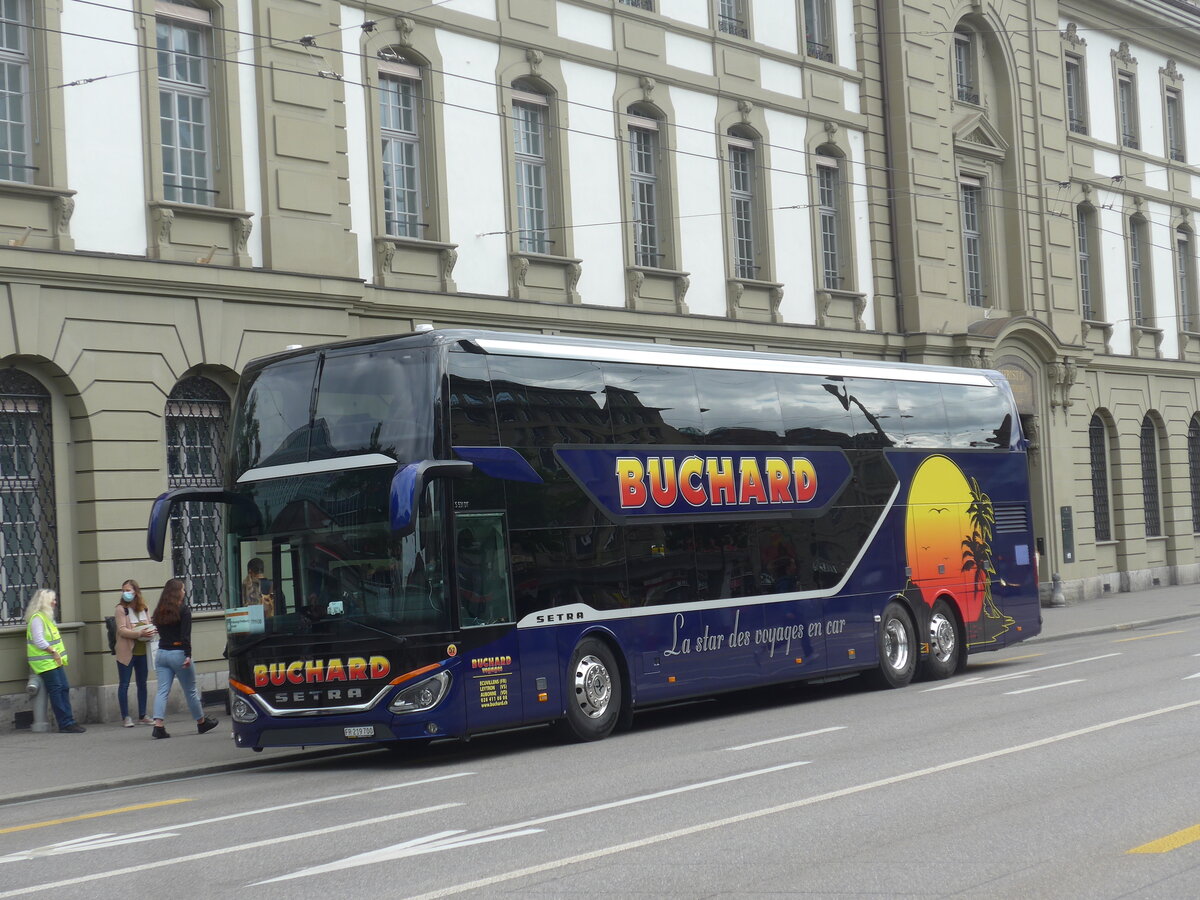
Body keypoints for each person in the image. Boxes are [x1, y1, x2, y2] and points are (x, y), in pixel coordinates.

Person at [150, 578, 218, 739]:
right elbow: (185, 636)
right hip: (178, 653)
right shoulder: (184, 610)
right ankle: (201, 722)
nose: (184, 592)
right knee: (190, 690)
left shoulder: (159, 610)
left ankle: (158, 725)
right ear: (176, 592)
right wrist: (188, 655)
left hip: (161, 654)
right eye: (182, 589)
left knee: (162, 691)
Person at [24, 588, 86, 733]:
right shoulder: (38, 618)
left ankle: (69, 720)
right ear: (45, 602)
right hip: (45, 661)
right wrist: (53, 651)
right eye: (53, 600)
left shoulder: (47, 618)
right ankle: (65, 723)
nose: (55, 603)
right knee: (57, 690)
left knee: (63, 688)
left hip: (52, 660)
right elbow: (39, 640)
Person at [114, 579, 156, 727]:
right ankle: (125, 716)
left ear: (136, 592)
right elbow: (121, 630)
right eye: (123, 590)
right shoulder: (121, 609)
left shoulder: (144, 608)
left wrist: (151, 631)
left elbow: (149, 623)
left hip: (142, 651)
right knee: (124, 684)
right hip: (126, 651)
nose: (125, 593)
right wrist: (139, 633)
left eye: (128, 590)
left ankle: (143, 714)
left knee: (142, 683)